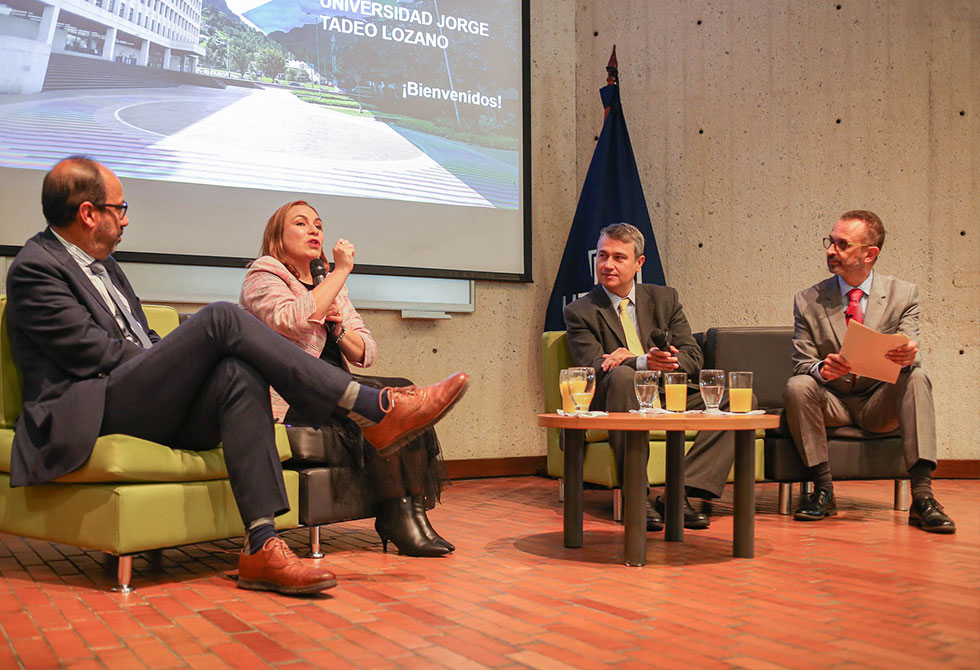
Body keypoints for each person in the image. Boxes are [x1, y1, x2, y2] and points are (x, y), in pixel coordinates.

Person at [5, 156, 469, 595]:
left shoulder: (106, 267)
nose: (125, 220)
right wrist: (174, 358)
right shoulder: (36, 268)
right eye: (119, 208)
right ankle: (370, 409)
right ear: (88, 213)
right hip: (91, 407)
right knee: (222, 318)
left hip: (139, 399)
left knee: (236, 371)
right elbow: (92, 354)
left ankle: (261, 543)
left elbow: (142, 336)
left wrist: (175, 358)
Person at [240, 200, 453, 557]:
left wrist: (339, 330)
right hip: (293, 396)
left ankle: (412, 514)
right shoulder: (263, 276)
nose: (313, 230)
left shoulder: (330, 286)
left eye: (318, 225)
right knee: (385, 402)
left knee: (402, 390)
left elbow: (366, 352)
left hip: (337, 389)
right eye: (301, 223)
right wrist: (339, 272)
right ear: (277, 236)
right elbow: (291, 319)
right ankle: (398, 518)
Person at [783, 210, 954, 532]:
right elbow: (802, 363)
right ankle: (823, 490)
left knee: (916, 375)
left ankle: (922, 497)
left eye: (842, 244)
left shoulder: (903, 294)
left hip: (879, 403)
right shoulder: (808, 300)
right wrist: (822, 370)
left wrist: (908, 355)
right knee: (798, 385)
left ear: (869, 254)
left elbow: (910, 347)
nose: (831, 250)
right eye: (830, 241)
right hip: (832, 402)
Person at [563, 223, 742, 531]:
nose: (607, 265)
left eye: (619, 257)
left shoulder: (664, 299)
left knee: (732, 398)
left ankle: (677, 493)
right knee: (621, 376)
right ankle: (637, 495)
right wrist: (641, 361)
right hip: (617, 396)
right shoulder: (580, 310)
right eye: (603, 255)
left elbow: (692, 356)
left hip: (668, 392)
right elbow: (593, 365)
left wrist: (662, 360)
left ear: (639, 263)